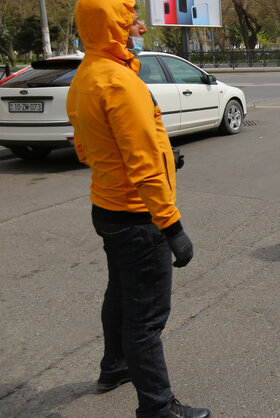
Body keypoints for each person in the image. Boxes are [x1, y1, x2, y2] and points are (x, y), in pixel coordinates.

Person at [67, 1, 210, 416]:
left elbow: (87, 148)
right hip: (138, 217)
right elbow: (142, 162)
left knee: (120, 292)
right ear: (114, 25)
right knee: (146, 318)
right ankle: (157, 407)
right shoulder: (119, 81)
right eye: (129, 17)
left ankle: (115, 365)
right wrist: (172, 227)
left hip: (107, 209)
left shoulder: (86, 76)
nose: (137, 24)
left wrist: (167, 153)